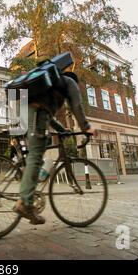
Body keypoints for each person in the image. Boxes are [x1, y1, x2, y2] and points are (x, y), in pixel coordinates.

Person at [13, 70, 96, 225]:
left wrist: (61, 130)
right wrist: (86, 127)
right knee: (36, 156)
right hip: (36, 113)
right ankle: (24, 203)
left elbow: (48, 116)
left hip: (32, 111)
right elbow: (77, 106)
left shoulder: (51, 89)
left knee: (36, 153)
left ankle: (26, 181)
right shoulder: (70, 83)